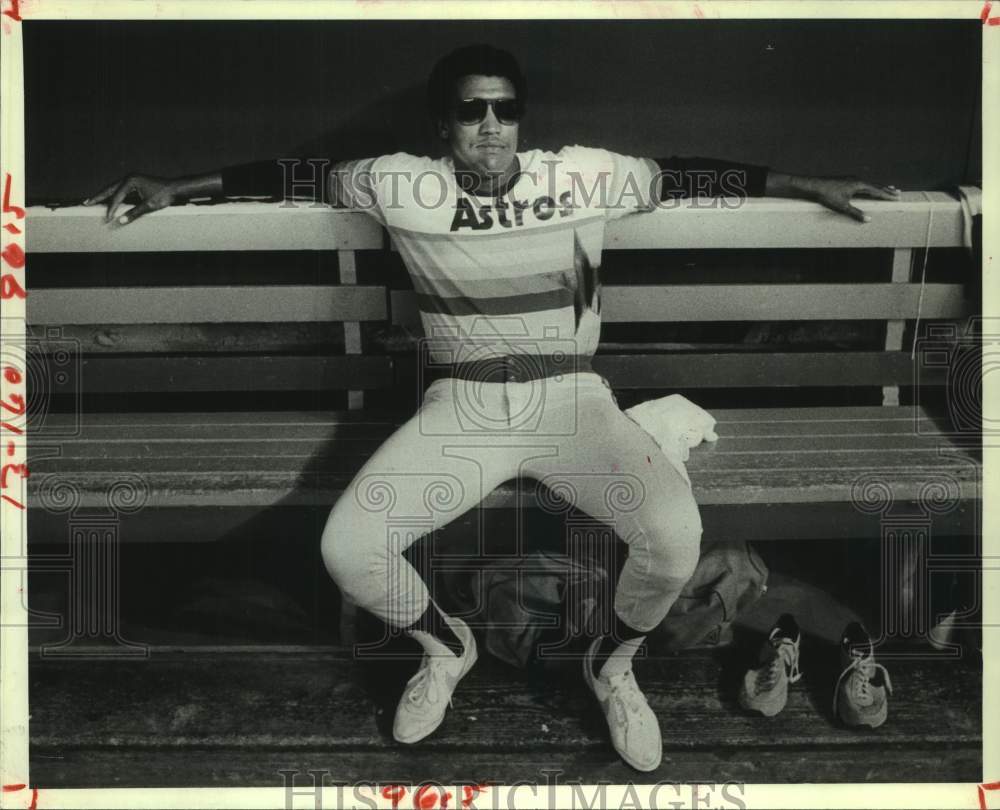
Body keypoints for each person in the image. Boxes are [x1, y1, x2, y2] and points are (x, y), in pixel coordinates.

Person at [85, 44, 900, 772]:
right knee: (350, 545)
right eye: (471, 110)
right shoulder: (402, 181)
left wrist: (807, 182)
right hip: (463, 408)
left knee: (675, 535)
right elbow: (284, 176)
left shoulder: (579, 173)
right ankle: (447, 651)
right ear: (444, 123)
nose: (489, 125)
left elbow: (688, 170)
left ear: (520, 118)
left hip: (574, 400)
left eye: (504, 109)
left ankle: (611, 670)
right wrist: (173, 188)